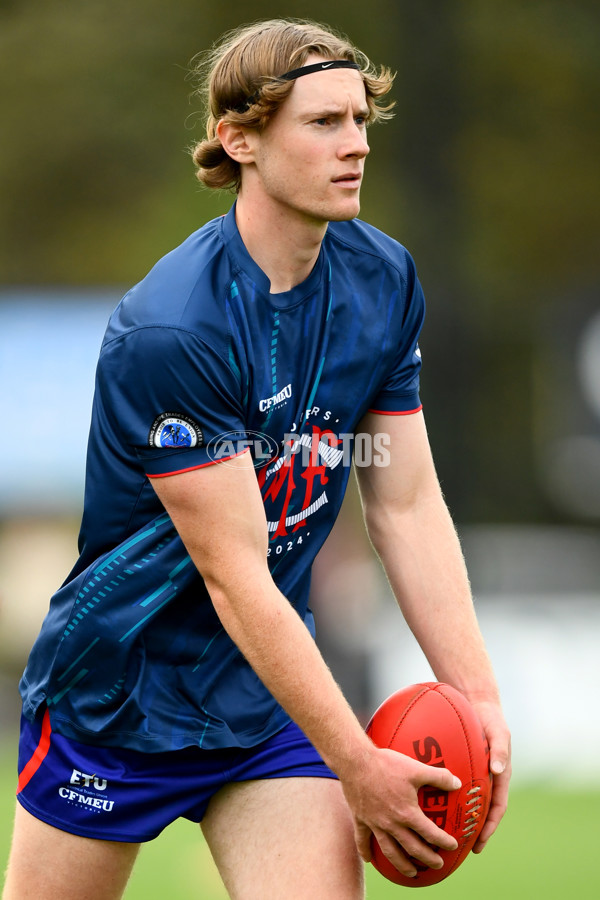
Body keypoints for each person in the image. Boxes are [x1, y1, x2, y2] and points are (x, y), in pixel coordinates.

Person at [3, 18, 511, 900]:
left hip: (268, 693)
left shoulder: (383, 281)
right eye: (322, 123)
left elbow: (406, 503)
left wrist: (480, 703)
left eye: (360, 120)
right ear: (240, 140)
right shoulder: (174, 329)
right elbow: (236, 576)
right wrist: (358, 760)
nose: (354, 145)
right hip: (120, 695)